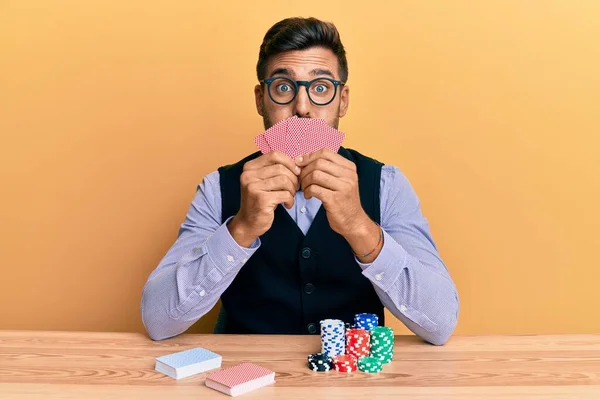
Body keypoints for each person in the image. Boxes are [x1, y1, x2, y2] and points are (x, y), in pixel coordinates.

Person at [141, 17, 459, 345]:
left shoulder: (386, 185)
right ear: (260, 99)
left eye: (320, 88)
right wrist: (241, 229)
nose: (302, 108)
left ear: (343, 100)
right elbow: (158, 321)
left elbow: (440, 323)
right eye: (283, 87)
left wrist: (358, 226)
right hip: (247, 384)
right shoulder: (216, 189)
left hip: (351, 385)